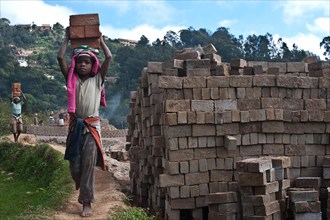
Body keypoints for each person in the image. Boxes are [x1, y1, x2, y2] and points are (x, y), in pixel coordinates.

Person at [57, 28, 112, 217]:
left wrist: (101, 40)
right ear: (75, 64)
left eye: (87, 62)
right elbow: (59, 58)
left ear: (92, 65)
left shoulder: (98, 80)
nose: (82, 65)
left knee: (88, 164)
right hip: (75, 127)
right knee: (75, 166)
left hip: (91, 127)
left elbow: (109, 57)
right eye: (79, 61)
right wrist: (66, 38)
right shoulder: (71, 80)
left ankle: (86, 201)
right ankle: (81, 184)